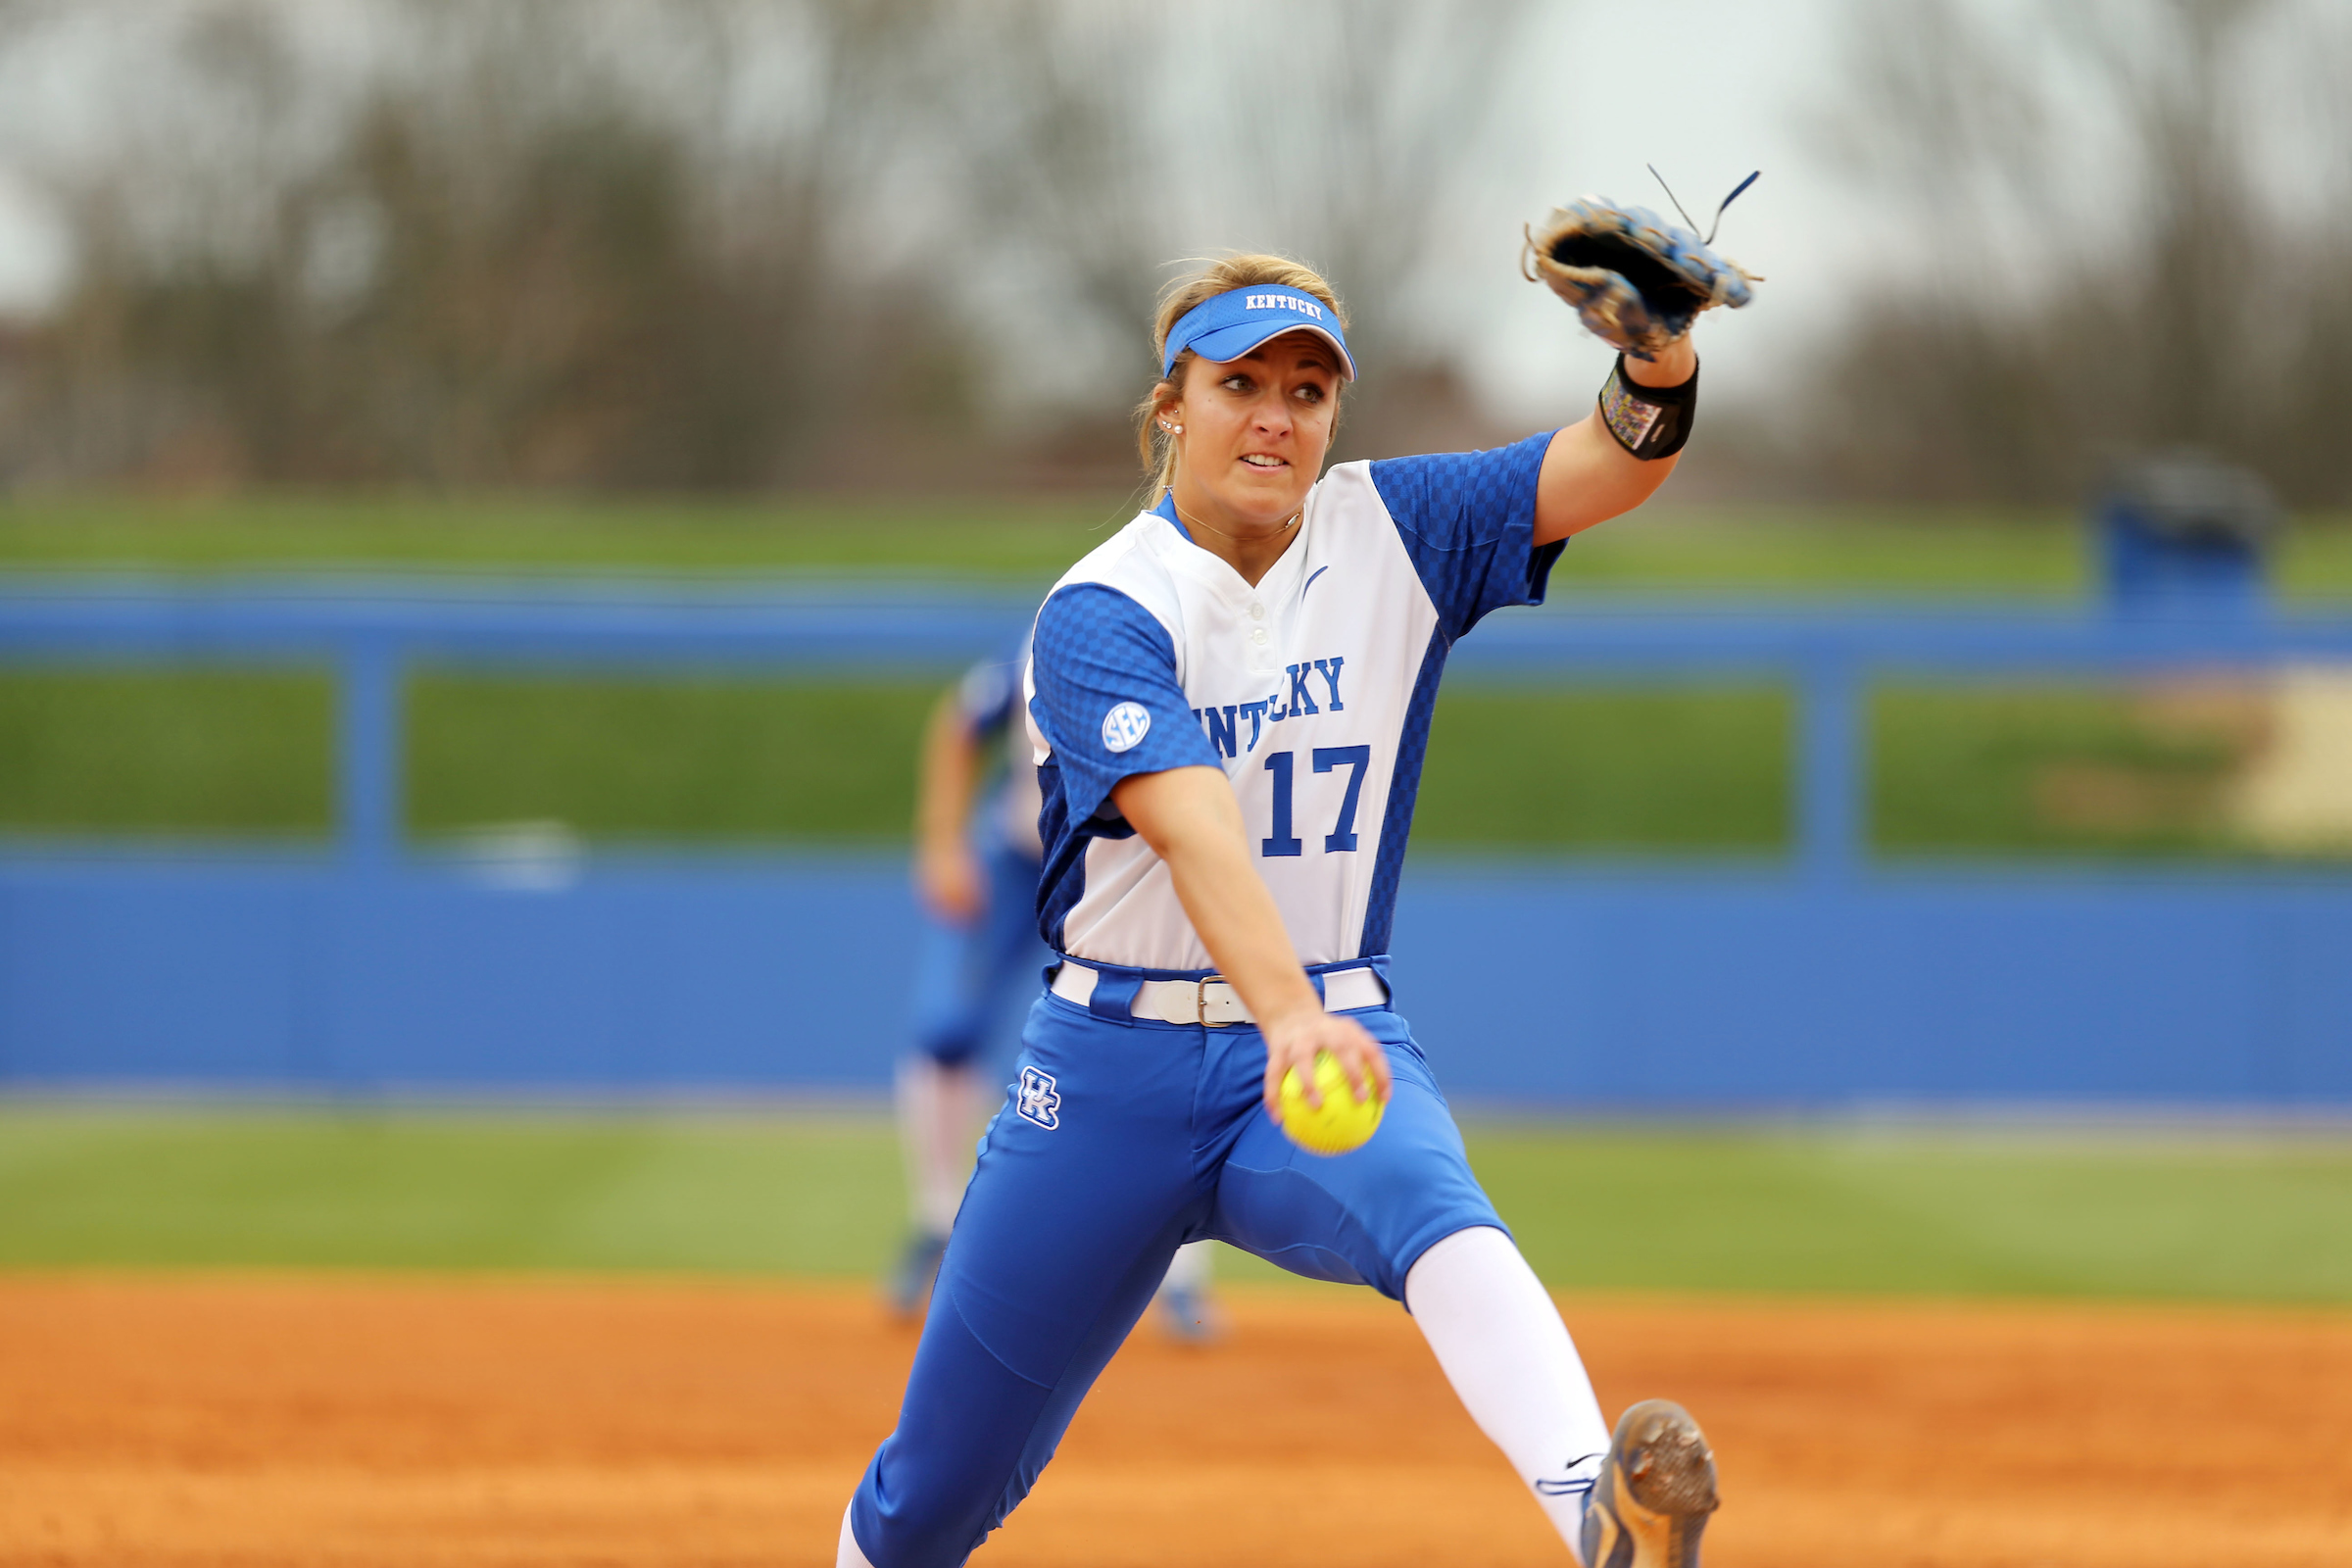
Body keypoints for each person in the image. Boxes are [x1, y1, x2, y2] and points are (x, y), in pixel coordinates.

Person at [839, 247, 1730, 1568]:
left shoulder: (1399, 530)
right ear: (1169, 410)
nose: (1275, 414)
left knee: (1435, 1209)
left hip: (1327, 1032)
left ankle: (1601, 1512)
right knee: (932, 1495)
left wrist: (1659, 360)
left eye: (1308, 390)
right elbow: (1193, 825)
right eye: (1239, 382)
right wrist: (1287, 1016)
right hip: (1107, 1073)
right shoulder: (1101, 611)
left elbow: (1609, 466)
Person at [888, 642, 1220, 1341]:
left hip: (1127, 873)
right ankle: (933, 1219)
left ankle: (1181, 1272)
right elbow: (961, 719)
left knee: (1171, 1044)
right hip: (1019, 863)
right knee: (946, 1028)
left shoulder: (1180, 666)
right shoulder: (1050, 650)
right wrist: (941, 844)